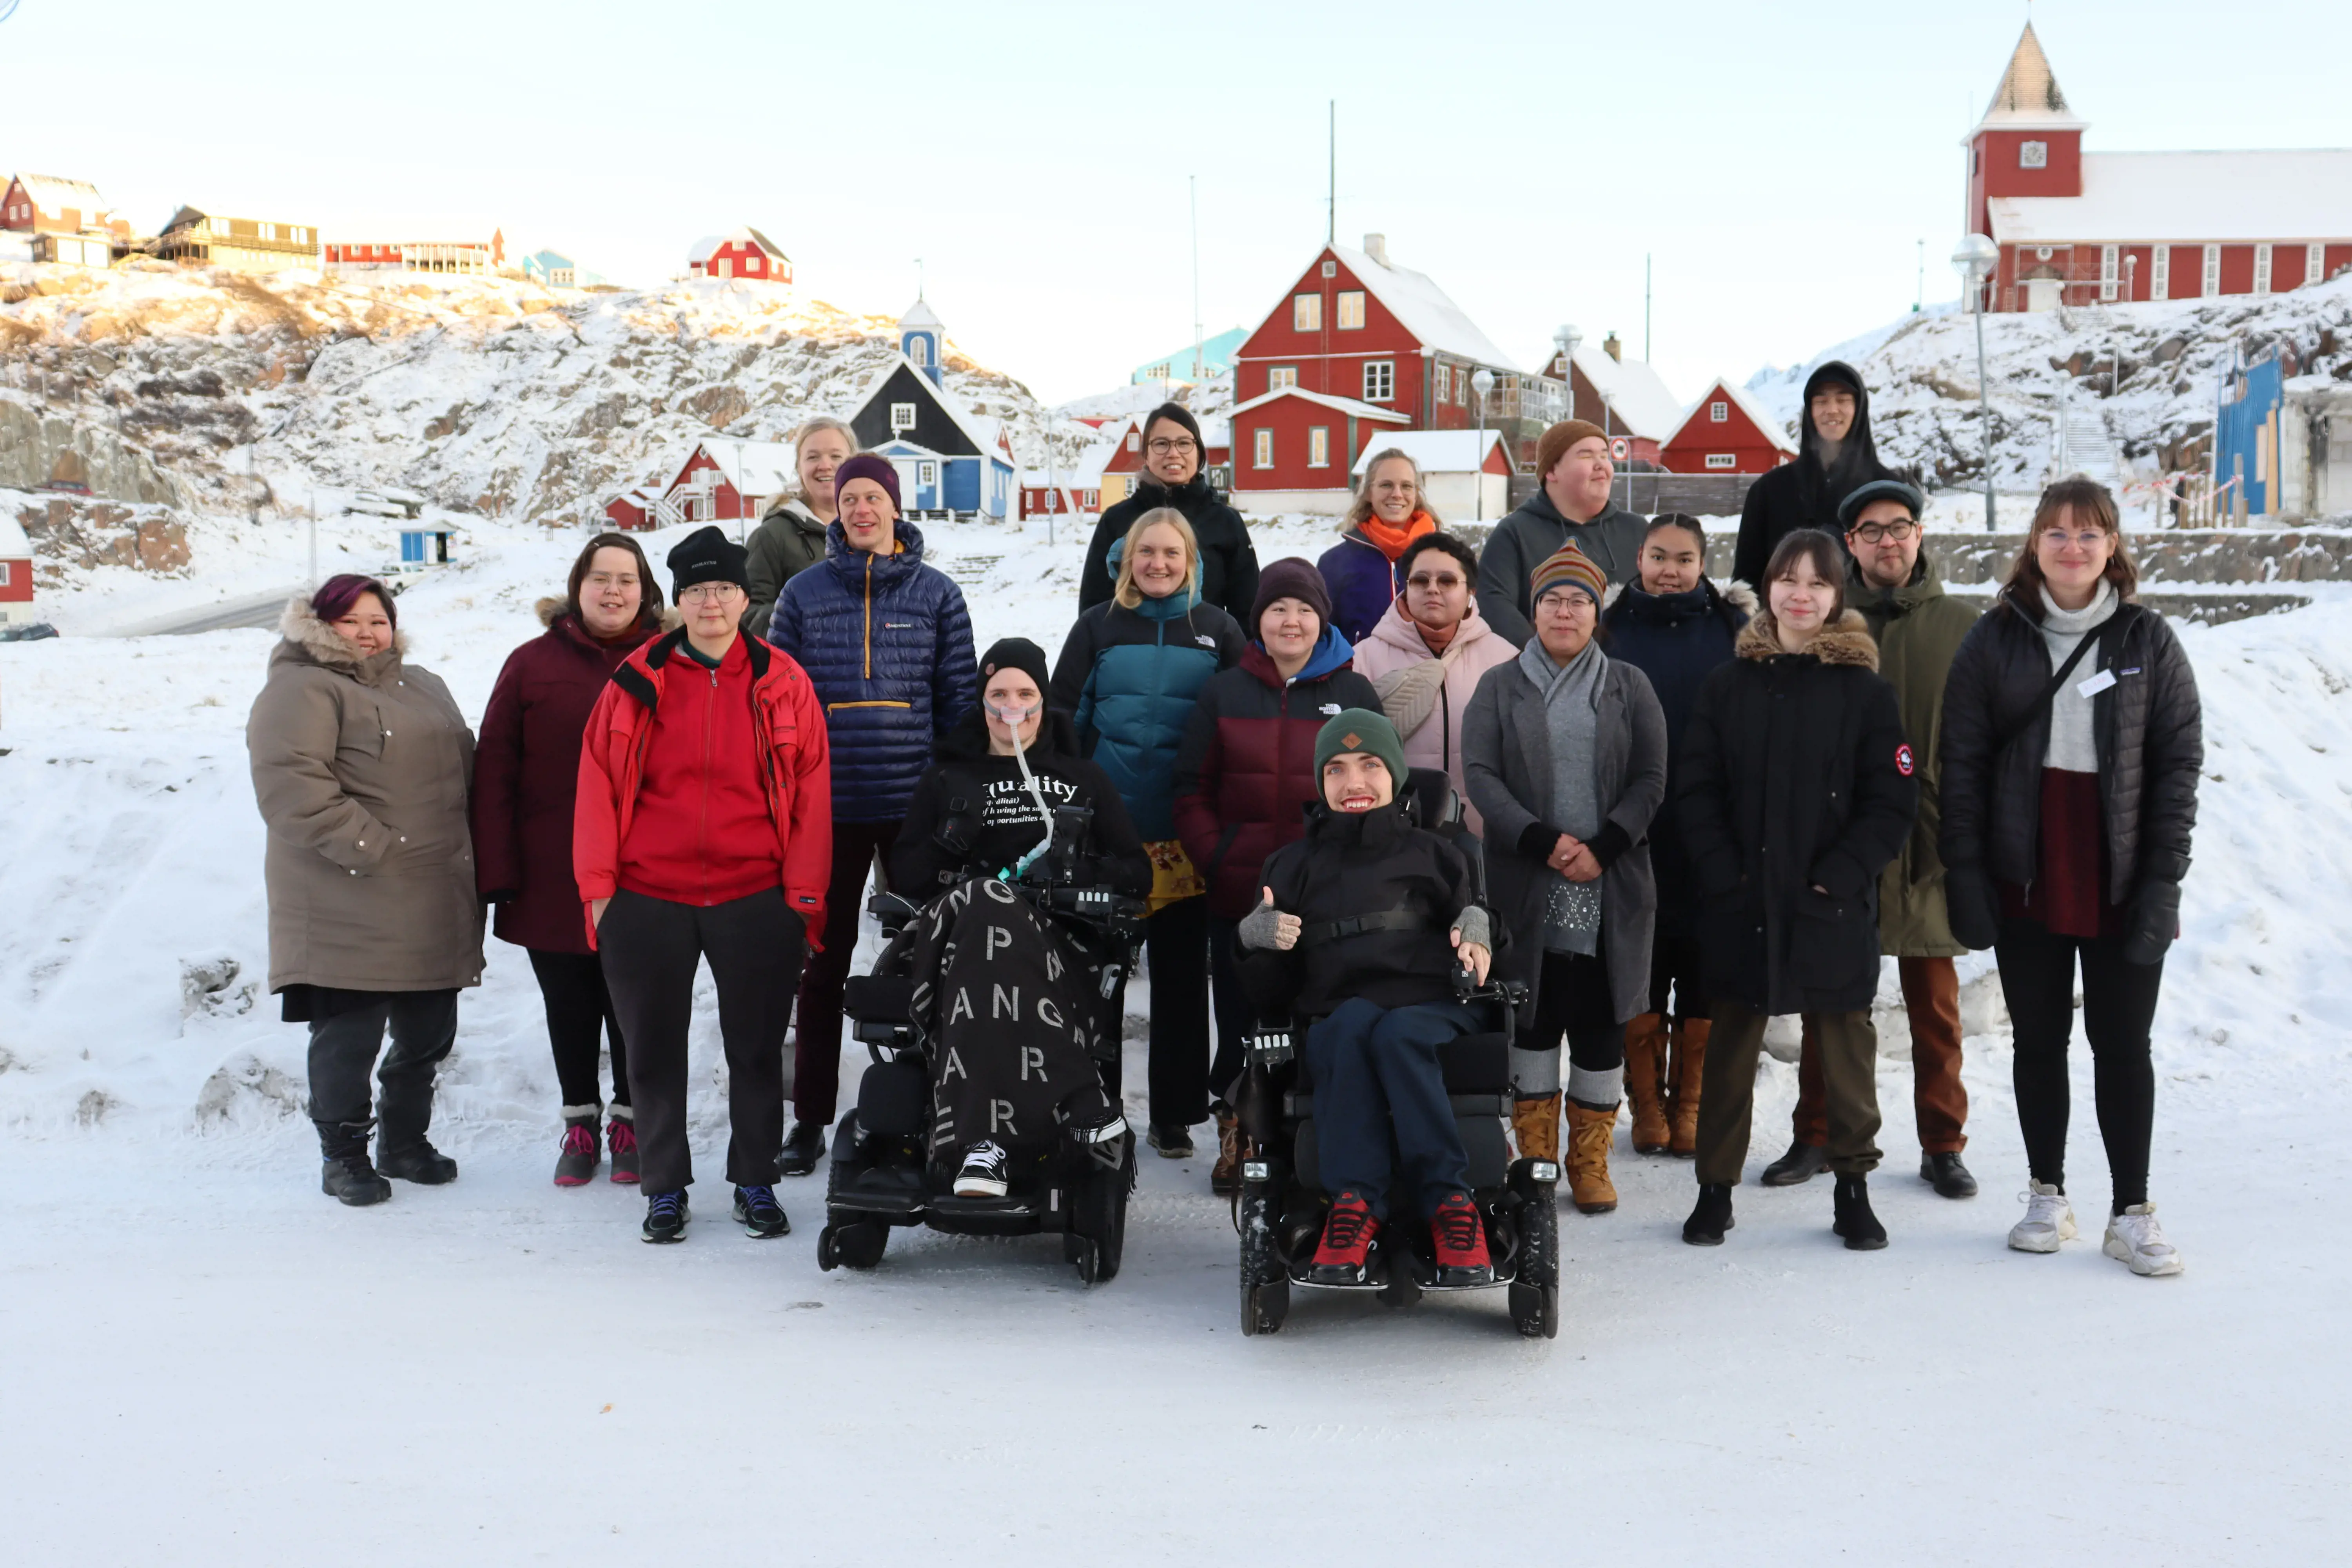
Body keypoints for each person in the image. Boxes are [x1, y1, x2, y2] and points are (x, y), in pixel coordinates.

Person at [1939, 477, 2202, 1277]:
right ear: (2033, 545)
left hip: (2118, 864)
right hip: (2028, 860)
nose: (2072, 546)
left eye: (2089, 533)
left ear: (2113, 545)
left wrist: (2163, 878)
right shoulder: (1994, 639)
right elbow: (1962, 764)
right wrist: (1967, 869)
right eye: (2055, 532)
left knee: (2124, 1042)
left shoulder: (2148, 640)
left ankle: (2133, 1209)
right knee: (2040, 1039)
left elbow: (2176, 766)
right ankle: (2046, 1191)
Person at [575, 526, 831, 1243]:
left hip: (756, 893)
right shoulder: (636, 680)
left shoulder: (783, 681)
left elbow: (812, 792)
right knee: (652, 1048)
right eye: (696, 589)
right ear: (678, 600)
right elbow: (596, 784)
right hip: (648, 894)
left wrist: (803, 898)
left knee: (753, 1049)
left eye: (723, 587)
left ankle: (755, 1180)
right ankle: (663, 1186)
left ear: (745, 597)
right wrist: (600, 890)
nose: (711, 602)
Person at [1677, 528, 1917, 1251]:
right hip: (1743, 899)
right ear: (1768, 587)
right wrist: (1723, 873)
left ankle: (1852, 1186)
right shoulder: (1727, 685)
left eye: (1817, 583)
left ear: (1838, 596)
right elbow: (1696, 788)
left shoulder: (1866, 693)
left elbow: (1893, 800)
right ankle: (1714, 1189)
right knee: (1730, 1052)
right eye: (1788, 579)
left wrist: (1842, 874)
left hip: (1831, 901)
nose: (1800, 594)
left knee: (1845, 1050)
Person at [1756, 481, 1986, 1196]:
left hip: (1929, 842)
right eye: (1870, 530)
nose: (1888, 541)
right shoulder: (1830, 620)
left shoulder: (1963, 624)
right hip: (1844, 841)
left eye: (1900, 527)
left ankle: (1943, 1142)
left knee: (1934, 1011)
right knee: (1834, 1001)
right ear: (1850, 542)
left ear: (1919, 535)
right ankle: (1818, 1133)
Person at [767, 453, 978, 1175]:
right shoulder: (802, 595)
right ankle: (810, 1117)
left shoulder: (939, 595)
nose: (861, 509)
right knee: (819, 966)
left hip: (911, 809)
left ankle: (934, 1105)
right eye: (850, 497)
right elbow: (780, 706)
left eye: (874, 498)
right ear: (835, 507)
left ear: (895, 507)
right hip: (827, 808)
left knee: (930, 961)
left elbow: (956, 707)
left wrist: (950, 803)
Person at [1237, 710, 1499, 1287]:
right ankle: (1355, 1204)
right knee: (1350, 1025)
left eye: (1370, 766)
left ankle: (1450, 1204)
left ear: (1396, 774)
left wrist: (1479, 925)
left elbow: (1480, 919)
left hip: (1432, 1004)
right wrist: (1254, 939)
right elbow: (1267, 988)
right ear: (1321, 781)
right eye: (1337, 770)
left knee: (1397, 1031)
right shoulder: (1292, 865)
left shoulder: (1441, 853)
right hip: (1336, 1006)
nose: (1354, 783)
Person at [247, 574, 485, 1206]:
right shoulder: (301, 688)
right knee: (349, 1038)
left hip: (430, 891)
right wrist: (375, 848)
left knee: (428, 1032)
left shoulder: (423, 685)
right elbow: (292, 788)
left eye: (378, 620)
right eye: (351, 620)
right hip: (346, 895)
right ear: (321, 625)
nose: (367, 632)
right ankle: (344, 1156)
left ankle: (403, 1144)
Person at [891, 638, 1152, 1196]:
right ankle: (1079, 1098)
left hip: (1058, 943)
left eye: (1026, 693)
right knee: (987, 901)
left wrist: (1078, 872)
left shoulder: (1083, 779)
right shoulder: (946, 778)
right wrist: (946, 843)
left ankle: (984, 1147)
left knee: (996, 916)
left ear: (1044, 701)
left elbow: (1138, 872)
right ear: (983, 703)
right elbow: (905, 875)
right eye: (1000, 694)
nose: (1013, 706)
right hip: (957, 938)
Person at [1462, 543, 1667, 1215]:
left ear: (1596, 610)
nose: (1564, 610)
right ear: (1533, 609)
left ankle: (1589, 1161)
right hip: (1527, 882)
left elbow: (1650, 778)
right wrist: (1545, 842)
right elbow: (1482, 777)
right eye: (1552, 599)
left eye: (1579, 599)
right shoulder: (1499, 685)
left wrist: (1604, 847)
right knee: (1533, 1021)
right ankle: (1537, 1159)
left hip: (1610, 883)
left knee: (1602, 1024)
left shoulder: (1630, 685)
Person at [1048, 510, 1247, 1186]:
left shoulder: (1219, 631)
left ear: (1192, 559)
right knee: (1099, 979)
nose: (1158, 564)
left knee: (1183, 981)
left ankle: (1174, 1114)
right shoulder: (1098, 627)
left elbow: (1235, 728)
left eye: (1171, 553)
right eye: (1146, 553)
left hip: (1188, 834)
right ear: (1125, 560)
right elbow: (1065, 721)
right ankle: (1097, 1106)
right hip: (1114, 833)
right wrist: (1075, 808)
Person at [472, 534, 668, 1186]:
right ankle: (580, 1123)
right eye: (600, 579)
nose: (613, 592)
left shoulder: (671, 662)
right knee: (570, 1003)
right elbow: (495, 769)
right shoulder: (530, 664)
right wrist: (497, 871)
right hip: (551, 869)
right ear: (577, 587)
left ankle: (630, 1121)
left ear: (646, 591)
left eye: (627, 580)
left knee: (632, 1002)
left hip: (645, 870)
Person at [1171, 557, 1380, 1159]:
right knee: (1240, 1017)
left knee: (1320, 1012)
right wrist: (1218, 858)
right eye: (1278, 609)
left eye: (1305, 610)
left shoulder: (1352, 693)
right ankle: (1239, 1128)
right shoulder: (1225, 690)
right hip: (1242, 892)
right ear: (1258, 620)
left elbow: (1379, 790)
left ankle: (1312, 1135)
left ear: (1323, 620)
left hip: (1331, 895)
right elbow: (1191, 789)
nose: (1292, 622)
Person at [1599, 514, 1754, 1157]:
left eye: (1684, 559)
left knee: (1701, 965)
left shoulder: (1733, 628)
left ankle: (1691, 1103)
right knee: (1641, 961)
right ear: (1639, 557)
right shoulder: (1608, 626)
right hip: (1633, 821)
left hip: (1711, 822)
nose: (1670, 570)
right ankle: (1648, 1104)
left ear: (1703, 564)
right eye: (1658, 556)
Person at [1350, 531, 1517, 833]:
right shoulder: (1362, 661)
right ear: (1405, 587)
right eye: (1421, 580)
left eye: (1447, 581)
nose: (1433, 590)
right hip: (1393, 834)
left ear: (1471, 592)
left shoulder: (1507, 660)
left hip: (1486, 834)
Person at [1078, 401, 1260, 621]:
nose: (1173, 453)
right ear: (1146, 454)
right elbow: (1093, 608)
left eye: (1184, 443)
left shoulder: (1225, 521)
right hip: (1130, 652)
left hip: (1206, 652)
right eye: (1162, 444)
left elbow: (1248, 610)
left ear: (1199, 453)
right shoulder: (1117, 520)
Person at [1477, 419, 1648, 644]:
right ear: (1551, 471)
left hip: (1630, 674)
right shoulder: (1516, 533)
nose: (1601, 465)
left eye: (1605, 456)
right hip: (1547, 673)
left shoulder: (1638, 531)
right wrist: (1549, 664)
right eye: (1586, 456)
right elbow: (1495, 607)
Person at [1730, 361, 1891, 588]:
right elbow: (1747, 580)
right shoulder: (1769, 491)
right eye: (1821, 401)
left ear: (1860, 408)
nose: (1832, 409)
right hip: (1783, 620)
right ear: (1810, 412)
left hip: (1869, 623)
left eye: (1843, 400)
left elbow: (1904, 576)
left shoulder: (1887, 489)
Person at [745, 416, 856, 639]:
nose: (825, 466)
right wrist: (803, 618)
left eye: (836, 456)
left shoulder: (871, 531)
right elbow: (746, 617)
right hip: (802, 670)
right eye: (813, 457)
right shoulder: (772, 536)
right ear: (799, 467)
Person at [1317, 448, 1438, 646]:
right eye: (1386, 485)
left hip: (1430, 673)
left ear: (1417, 494)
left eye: (1406, 486)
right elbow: (1322, 638)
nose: (1397, 494)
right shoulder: (1334, 563)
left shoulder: (1443, 557)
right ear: (1368, 493)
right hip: (1361, 673)